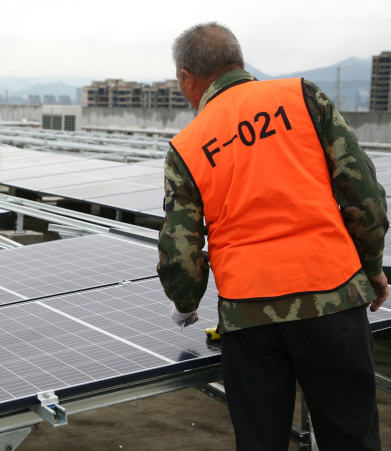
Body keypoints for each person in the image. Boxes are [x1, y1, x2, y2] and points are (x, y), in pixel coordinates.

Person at [157, 22, 388, 451]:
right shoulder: (302, 97)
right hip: (332, 295)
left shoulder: (187, 145)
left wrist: (185, 304)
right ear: (238, 62)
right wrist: (371, 268)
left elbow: (181, 250)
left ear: (188, 78)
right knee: (351, 437)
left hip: (250, 314)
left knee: (261, 442)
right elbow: (366, 197)